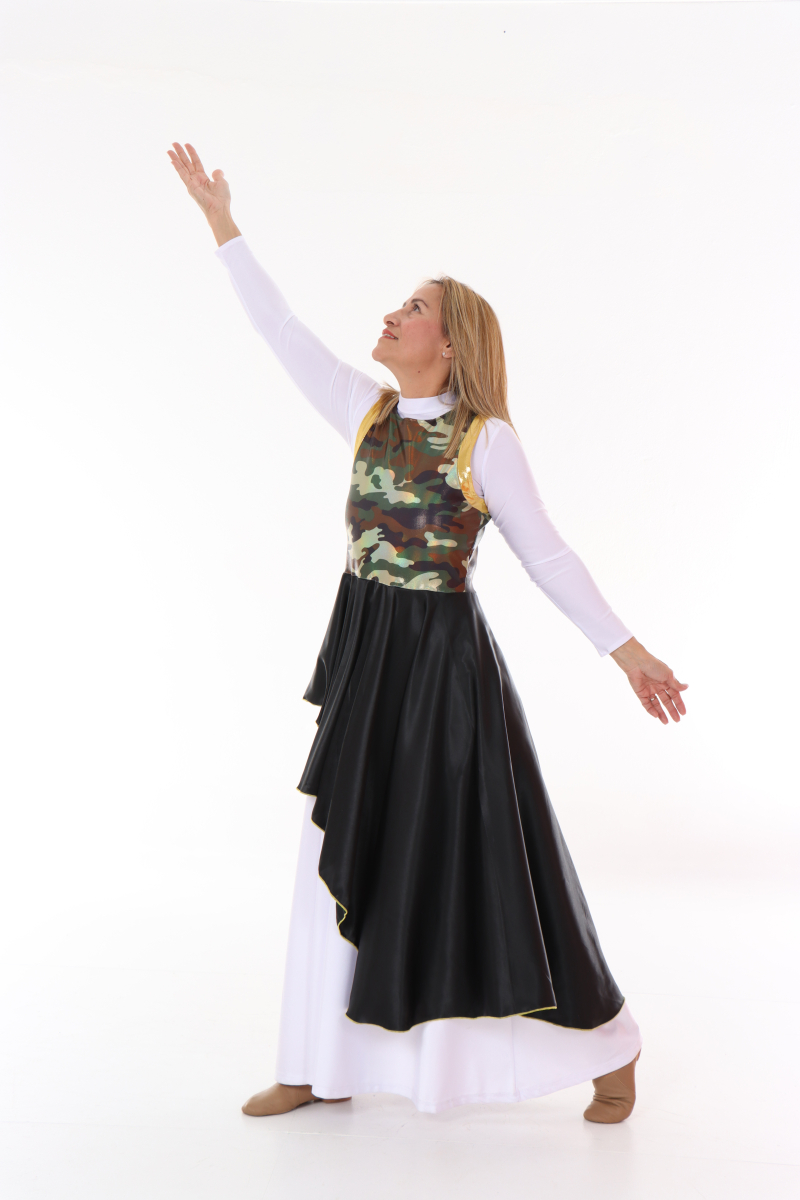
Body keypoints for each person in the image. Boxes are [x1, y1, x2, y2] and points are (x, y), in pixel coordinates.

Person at [168, 141, 688, 1124]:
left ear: (448, 344)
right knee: (337, 844)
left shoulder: (485, 441)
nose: (391, 314)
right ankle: (315, 1065)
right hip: (367, 656)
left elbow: (548, 557)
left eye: (412, 308)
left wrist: (626, 651)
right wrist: (221, 222)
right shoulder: (365, 412)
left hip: (443, 673)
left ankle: (609, 1045)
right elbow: (278, 328)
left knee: (484, 869)